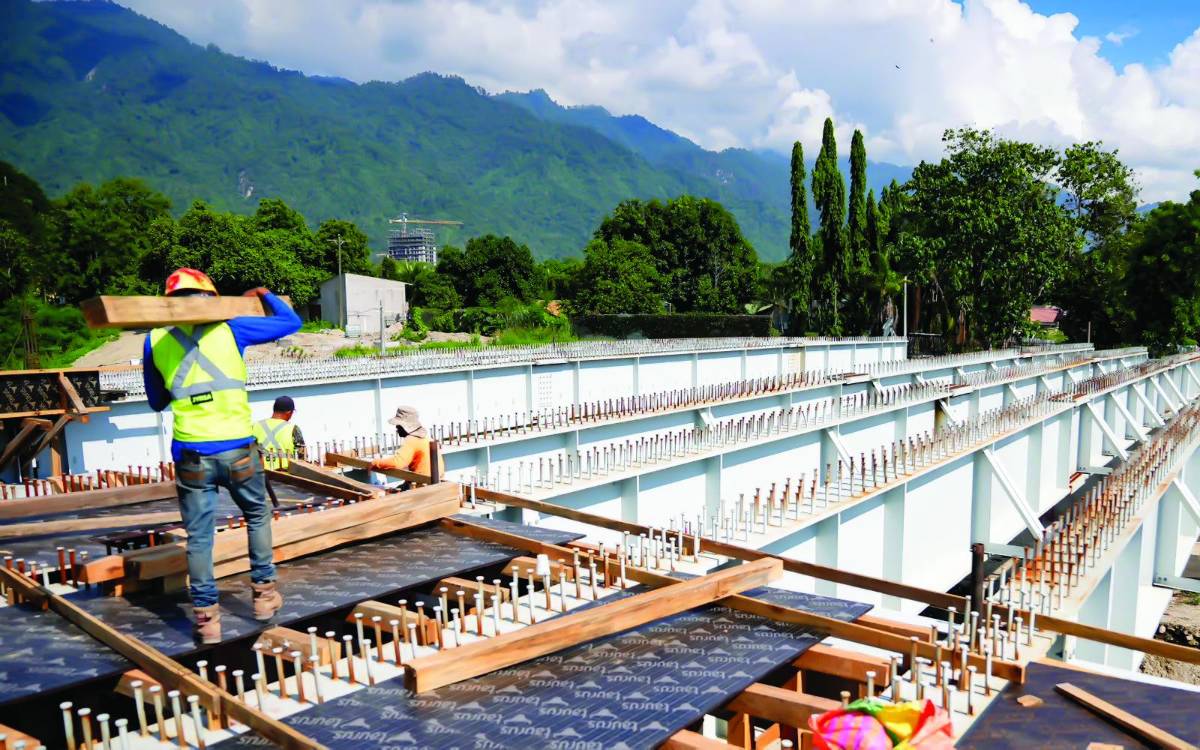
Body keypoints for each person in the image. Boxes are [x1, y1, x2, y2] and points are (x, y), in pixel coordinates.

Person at [143, 268, 301, 644]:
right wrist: (264, 293)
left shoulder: (153, 340)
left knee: (199, 536)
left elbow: (156, 400)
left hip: (192, 451)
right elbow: (290, 321)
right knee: (257, 513)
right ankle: (263, 597)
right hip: (237, 446)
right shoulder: (232, 327)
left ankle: (206, 619)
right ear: (211, 297)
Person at [369, 405, 445, 480]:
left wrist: (374, 463)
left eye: (398, 426)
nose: (396, 428)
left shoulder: (412, 440)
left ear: (404, 426)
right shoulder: (426, 438)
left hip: (424, 485)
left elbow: (397, 462)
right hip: (435, 481)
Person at [252, 395, 305, 469]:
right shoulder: (293, 428)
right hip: (284, 476)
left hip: (260, 474)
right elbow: (302, 456)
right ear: (289, 412)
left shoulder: (255, 426)